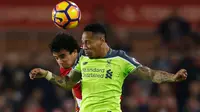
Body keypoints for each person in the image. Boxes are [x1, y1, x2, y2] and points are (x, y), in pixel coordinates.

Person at [29, 23, 187, 112]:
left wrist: (172, 77)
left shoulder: (120, 59)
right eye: (83, 43)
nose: (84, 46)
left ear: (102, 40)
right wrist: (46, 74)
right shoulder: (83, 59)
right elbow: (68, 83)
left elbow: (151, 74)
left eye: (87, 42)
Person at [48, 33, 82, 111]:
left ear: (74, 52)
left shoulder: (92, 56)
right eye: (56, 58)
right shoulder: (64, 68)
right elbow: (74, 87)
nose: (60, 61)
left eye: (63, 56)